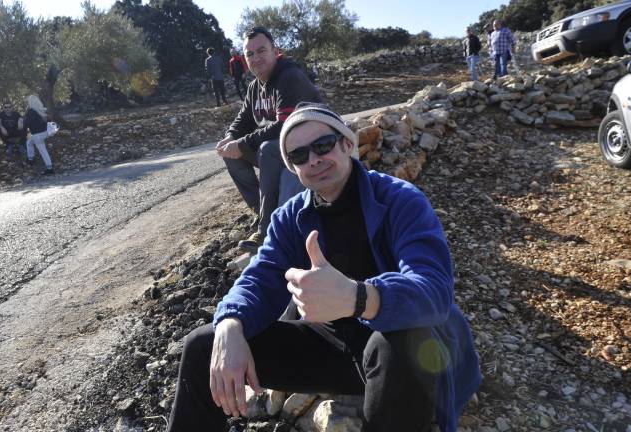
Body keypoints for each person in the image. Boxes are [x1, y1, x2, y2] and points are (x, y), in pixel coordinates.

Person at [168, 103, 482, 432]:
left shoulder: (400, 201)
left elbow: (434, 290)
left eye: (322, 145)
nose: (314, 159)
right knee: (203, 345)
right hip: (331, 346)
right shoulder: (291, 217)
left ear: (347, 144)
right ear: (295, 169)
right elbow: (260, 279)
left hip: (399, 351)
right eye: (300, 156)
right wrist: (230, 323)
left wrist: (359, 297)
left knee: (401, 344)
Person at [216, 27, 322, 253]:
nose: (256, 58)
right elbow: (243, 120)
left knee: (267, 149)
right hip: (282, 151)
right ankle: (261, 211)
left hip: (313, 148)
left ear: (275, 50)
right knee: (231, 151)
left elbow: (285, 125)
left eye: (261, 51)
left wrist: (243, 144)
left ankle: (265, 230)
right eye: (250, 54)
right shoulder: (255, 86)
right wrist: (230, 139)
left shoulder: (289, 76)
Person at [24, 95, 54, 175]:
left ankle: (49, 168)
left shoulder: (31, 112)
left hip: (37, 135)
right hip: (44, 133)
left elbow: (26, 123)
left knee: (43, 151)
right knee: (29, 142)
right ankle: (31, 159)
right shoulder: (42, 110)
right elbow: (49, 120)